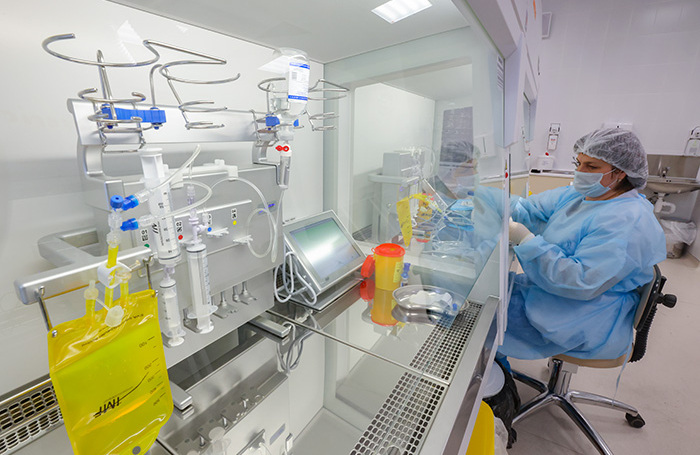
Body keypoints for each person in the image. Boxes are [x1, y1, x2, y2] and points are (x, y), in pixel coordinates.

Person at [499, 128, 666, 362]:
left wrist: (525, 239)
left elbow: (580, 281)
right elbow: (531, 209)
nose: (580, 172)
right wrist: (488, 204)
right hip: (552, 292)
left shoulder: (628, 222)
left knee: (483, 317)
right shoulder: (583, 195)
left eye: (592, 166)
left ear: (620, 173)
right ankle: (496, 364)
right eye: (578, 163)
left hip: (584, 315)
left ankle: (495, 377)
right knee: (491, 293)